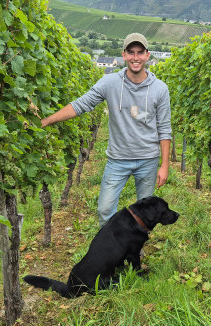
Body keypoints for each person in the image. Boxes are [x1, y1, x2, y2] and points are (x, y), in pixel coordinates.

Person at [41, 33, 172, 227]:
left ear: (147, 55)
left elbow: (164, 129)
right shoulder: (110, 83)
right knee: (104, 209)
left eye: (140, 52)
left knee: (145, 214)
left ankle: (135, 248)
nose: (135, 57)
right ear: (124, 55)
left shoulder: (160, 89)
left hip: (148, 160)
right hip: (117, 159)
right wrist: (46, 121)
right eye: (131, 52)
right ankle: (112, 248)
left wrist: (165, 165)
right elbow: (80, 105)